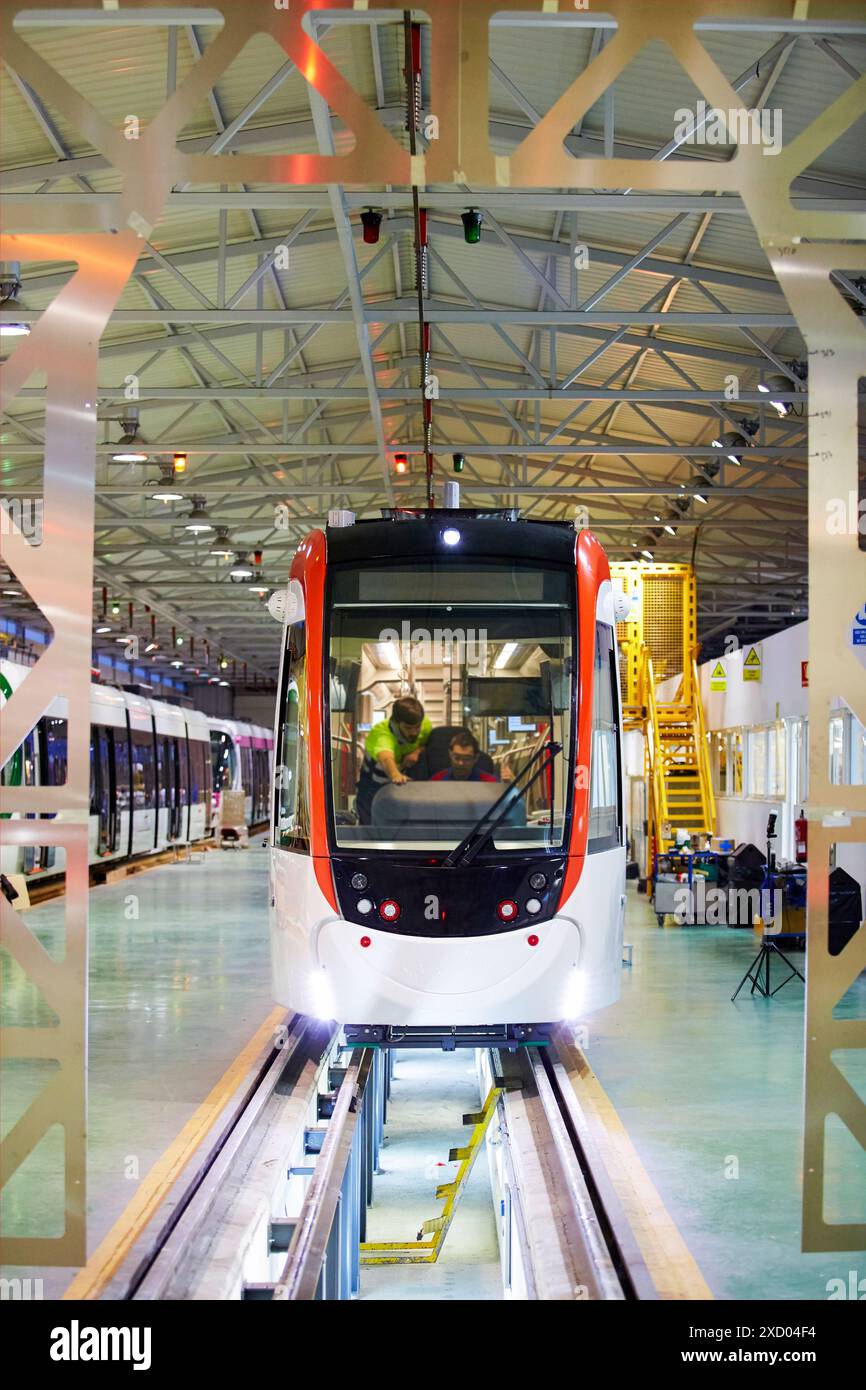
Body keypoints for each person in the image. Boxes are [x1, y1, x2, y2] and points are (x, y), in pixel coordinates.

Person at [355, 696, 432, 824]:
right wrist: (396, 775)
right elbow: (386, 759)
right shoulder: (381, 734)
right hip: (373, 786)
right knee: (372, 827)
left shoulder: (425, 724)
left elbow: (427, 744)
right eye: (408, 728)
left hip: (405, 778)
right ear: (396, 723)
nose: (414, 732)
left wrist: (416, 752)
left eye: (417, 727)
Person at [431, 731, 498, 783]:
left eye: (466, 759)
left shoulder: (491, 784)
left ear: (476, 758)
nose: (461, 763)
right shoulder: (436, 781)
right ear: (450, 755)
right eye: (457, 758)